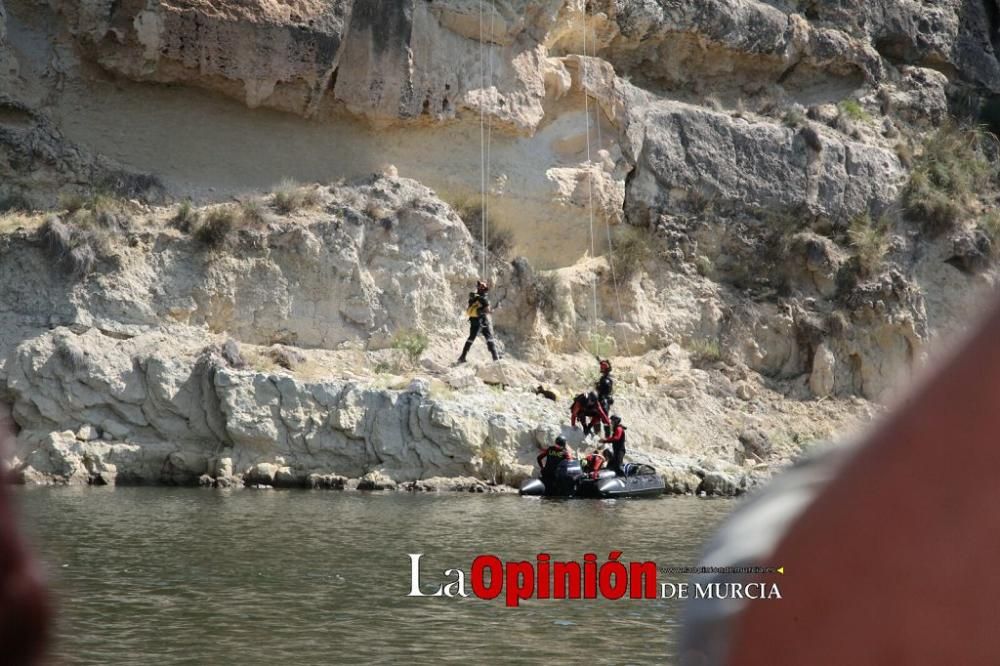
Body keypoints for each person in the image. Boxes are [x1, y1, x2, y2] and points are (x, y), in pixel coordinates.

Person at [457, 280, 500, 363]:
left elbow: (470, 306)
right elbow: (487, 311)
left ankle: (462, 356)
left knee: (471, 338)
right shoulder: (484, 299)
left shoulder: (473, 296)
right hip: (482, 321)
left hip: (473, 320)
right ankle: (495, 358)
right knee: (489, 337)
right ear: (485, 290)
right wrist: (492, 311)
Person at [595, 359, 614, 436]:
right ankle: (599, 436)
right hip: (603, 400)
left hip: (603, 401)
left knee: (604, 419)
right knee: (598, 418)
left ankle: (605, 437)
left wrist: (597, 386)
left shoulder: (606, 380)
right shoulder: (606, 378)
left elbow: (602, 390)